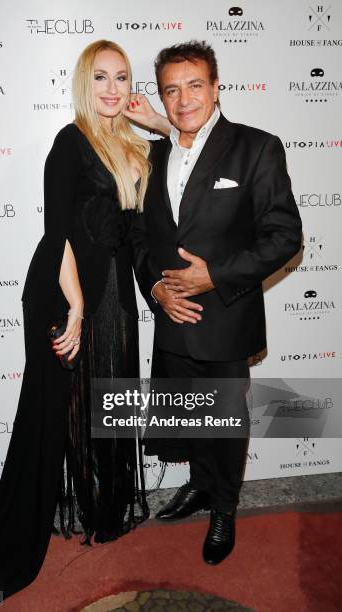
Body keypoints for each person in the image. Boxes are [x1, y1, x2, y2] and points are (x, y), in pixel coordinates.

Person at [0, 40, 168, 600]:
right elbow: (58, 236)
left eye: (122, 77)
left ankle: (105, 507)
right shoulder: (68, 144)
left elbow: (185, 147)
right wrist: (74, 306)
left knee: (111, 398)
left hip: (116, 292)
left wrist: (158, 122)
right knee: (56, 413)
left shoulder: (132, 146)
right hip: (63, 291)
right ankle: (30, 526)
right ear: (82, 83)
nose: (114, 89)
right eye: (101, 78)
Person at [130, 41, 302, 565]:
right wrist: (155, 289)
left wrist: (215, 276)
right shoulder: (154, 154)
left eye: (195, 85)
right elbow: (138, 237)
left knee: (226, 422)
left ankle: (224, 507)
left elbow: (284, 236)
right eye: (171, 89)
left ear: (216, 87)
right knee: (187, 416)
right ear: (162, 95)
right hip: (172, 317)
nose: (184, 100)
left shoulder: (257, 147)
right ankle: (201, 486)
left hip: (225, 315)